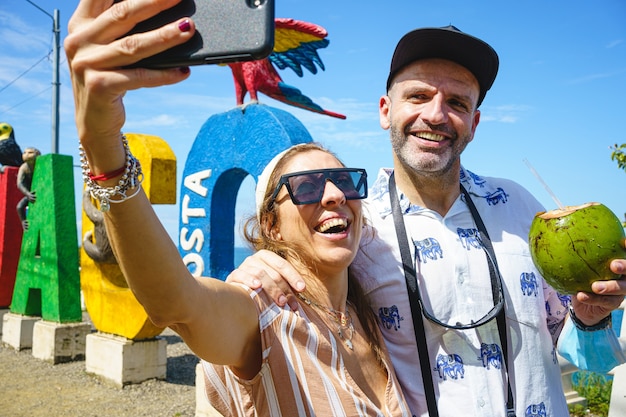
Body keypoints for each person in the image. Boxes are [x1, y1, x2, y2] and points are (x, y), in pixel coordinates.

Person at [227, 25, 626, 416]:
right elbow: (302, 305)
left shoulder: (521, 209)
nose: (436, 115)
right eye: (418, 96)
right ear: (386, 111)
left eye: (457, 103)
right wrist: (258, 266)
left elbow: (578, 348)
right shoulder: (353, 231)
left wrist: (591, 318)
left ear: (474, 123)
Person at [64, 2, 411, 415]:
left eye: (346, 182)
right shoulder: (263, 317)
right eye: (306, 187)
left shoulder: (380, 317)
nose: (334, 195)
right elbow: (179, 306)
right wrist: (104, 149)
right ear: (272, 226)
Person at [16, 147, 40, 230]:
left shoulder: (41, 165)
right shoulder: (23, 167)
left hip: (40, 192)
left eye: (30, 152)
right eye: (24, 152)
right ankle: (24, 222)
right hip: (30, 193)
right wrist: (27, 194)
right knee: (19, 207)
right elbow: (19, 183)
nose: (26, 154)